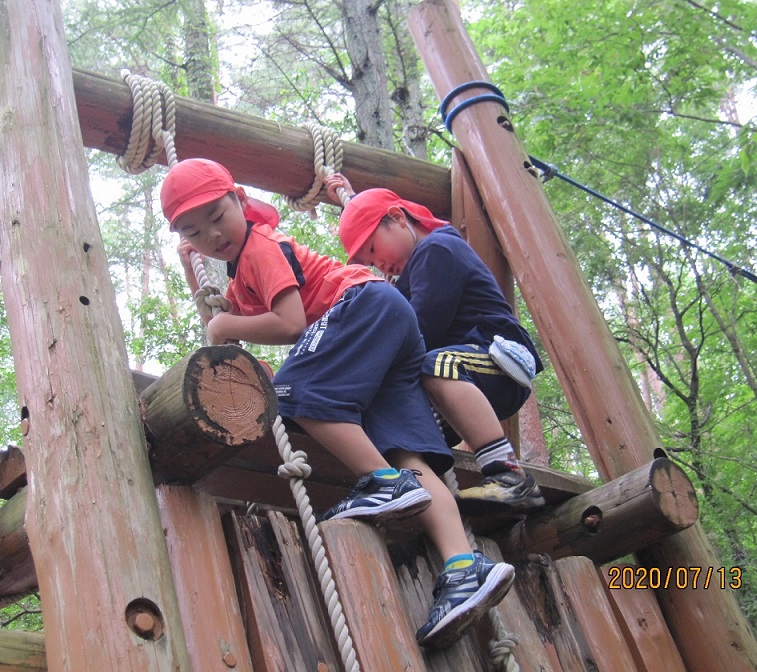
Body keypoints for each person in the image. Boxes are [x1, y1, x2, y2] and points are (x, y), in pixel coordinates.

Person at [160, 158, 514, 648]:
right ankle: (463, 567)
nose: (212, 235)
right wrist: (195, 276)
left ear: (241, 201)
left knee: (292, 391)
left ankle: (383, 483)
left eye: (218, 217)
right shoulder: (240, 279)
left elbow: (288, 322)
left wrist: (223, 326)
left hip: (362, 305)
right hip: (388, 327)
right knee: (404, 449)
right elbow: (229, 319)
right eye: (194, 232)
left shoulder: (261, 245)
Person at [327, 175, 546, 516]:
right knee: (399, 405)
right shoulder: (413, 267)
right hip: (465, 374)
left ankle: (510, 475)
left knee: (433, 366)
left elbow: (422, 326)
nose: (376, 264)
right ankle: (416, 477)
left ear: (398, 218)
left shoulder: (436, 249)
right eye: (369, 261)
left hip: (495, 356)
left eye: (372, 249)